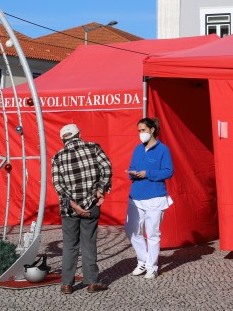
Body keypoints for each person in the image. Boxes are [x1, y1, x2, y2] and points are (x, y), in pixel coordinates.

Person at [51, 123, 112, 294]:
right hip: (92, 205)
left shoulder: (57, 157)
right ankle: (92, 282)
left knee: (70, 246)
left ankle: (67, 284)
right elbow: (107, 168)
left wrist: (74, 205)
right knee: (89, 243)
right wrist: (100, 191)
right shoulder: (93, 148)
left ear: (63, 139)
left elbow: (58, 186)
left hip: (69, 209)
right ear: (79, 134)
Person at [125, 117, 174, 280]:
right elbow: (132, 166)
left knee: (152, 234)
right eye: (139, 131)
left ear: (152, 130)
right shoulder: (137, 149)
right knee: (131, 230)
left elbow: (168, 171)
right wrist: (132, 173)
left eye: (143, 130)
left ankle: (152, 267)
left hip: (155, 197)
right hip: (135, 196)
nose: (140, 134)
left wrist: (148, 174)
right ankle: (143, 260)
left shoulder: (163, 150)